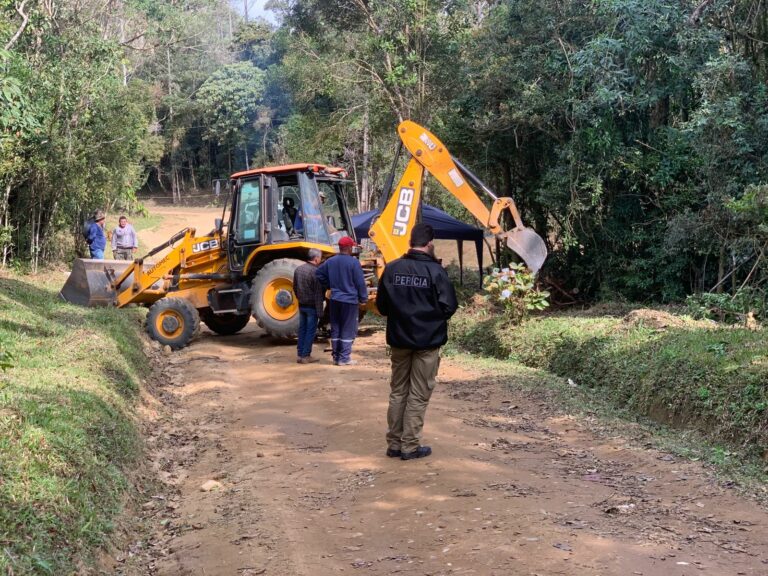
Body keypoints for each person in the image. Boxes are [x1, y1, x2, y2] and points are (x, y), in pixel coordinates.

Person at [375, 223, 458, 461]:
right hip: (427, 343)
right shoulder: (436, 272)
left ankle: (394, 443)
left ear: (411, 241)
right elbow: (449, 306)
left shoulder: (391, 269)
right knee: (419, 394)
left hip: (399, 340)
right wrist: (429, 319)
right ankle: (410, 446)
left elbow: (381, 307)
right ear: (429, 244)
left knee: (398, 391)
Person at [316, 236, 367, 366]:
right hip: (349, 301)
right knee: (348, 329)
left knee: (336, 327)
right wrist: (363, 298)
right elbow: (360, 283)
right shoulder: (354, 263)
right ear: (349, 248)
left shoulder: (330, 261)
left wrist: (328, 285)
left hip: (335, 300)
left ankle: (336, 357)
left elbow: (318, 274)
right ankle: (344, 358)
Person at [293, 248, 324, 364]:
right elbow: (318, 294)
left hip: (302, 306)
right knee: (310, 331)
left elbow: (295, 288)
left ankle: (300, 355)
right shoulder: (316, 272)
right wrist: (320, 312)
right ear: (316, 259)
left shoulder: (298, 270)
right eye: (320, 259)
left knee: (302, 330)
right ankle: (306, 356)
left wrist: (300, 298)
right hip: (312, 307)